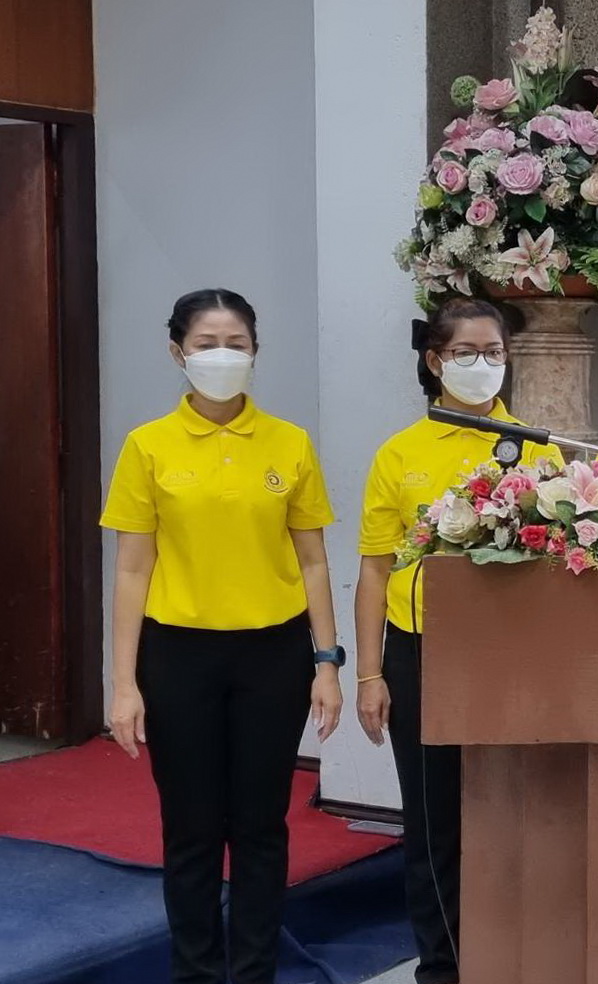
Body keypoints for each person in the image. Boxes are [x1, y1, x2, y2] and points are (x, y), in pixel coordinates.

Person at [102, 288, 344, 984]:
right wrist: (123, 684)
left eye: (236, 343)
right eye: (206, 343)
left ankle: (255, 970)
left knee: (263, 827)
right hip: (178, 656)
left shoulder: (288, 443)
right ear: (177, 351)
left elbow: (312, 559)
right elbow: (131, 570)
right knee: (192, 830)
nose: (222, 356)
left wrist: (326, 661)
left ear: (256, 352)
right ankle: (198, 973)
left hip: (274, 653)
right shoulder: (148, 446)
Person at [354, 297, 562, 984]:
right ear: (435, 360)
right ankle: (442, 969)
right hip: (423, 652)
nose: (482, 366)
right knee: (434, 824)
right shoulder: (399, 455)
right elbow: (375, 572)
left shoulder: (538, 447)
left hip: (513, 659)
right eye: (467, 354)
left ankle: (514, 960)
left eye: (495, 354)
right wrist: (370, 675)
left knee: (514, 814)